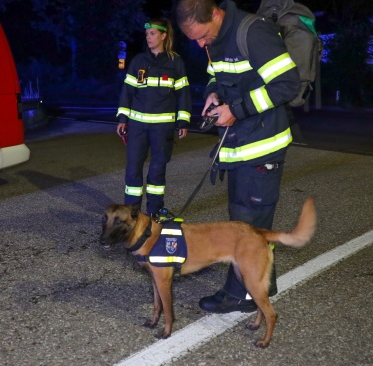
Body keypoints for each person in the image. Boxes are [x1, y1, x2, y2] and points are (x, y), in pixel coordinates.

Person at [175, 0, 300, 313]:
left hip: (261, 145)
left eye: (203, 37)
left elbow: (287, 85)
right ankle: (261, 285)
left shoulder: (253, 32)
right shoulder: (216, 38)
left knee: (247, 226)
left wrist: (237, 109)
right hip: (239, 145)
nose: (202, 44)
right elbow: (218, 75)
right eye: (195, 41)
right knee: (247, 225)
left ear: (216, 14)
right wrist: (214, 94)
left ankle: (240, 296)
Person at [117, 17, 192, 217]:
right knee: (133, 170)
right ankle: (131, 214)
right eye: (147, 34)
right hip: (138, 126)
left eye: (152, 34)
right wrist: (123, 118)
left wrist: (183, 120)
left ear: (163, 35)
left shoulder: (175, 62)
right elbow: (127, 91)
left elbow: (183, 93)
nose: (148, 38)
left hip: (162, 128)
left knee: (157, 170)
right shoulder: (139, 61)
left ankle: (154, 212)